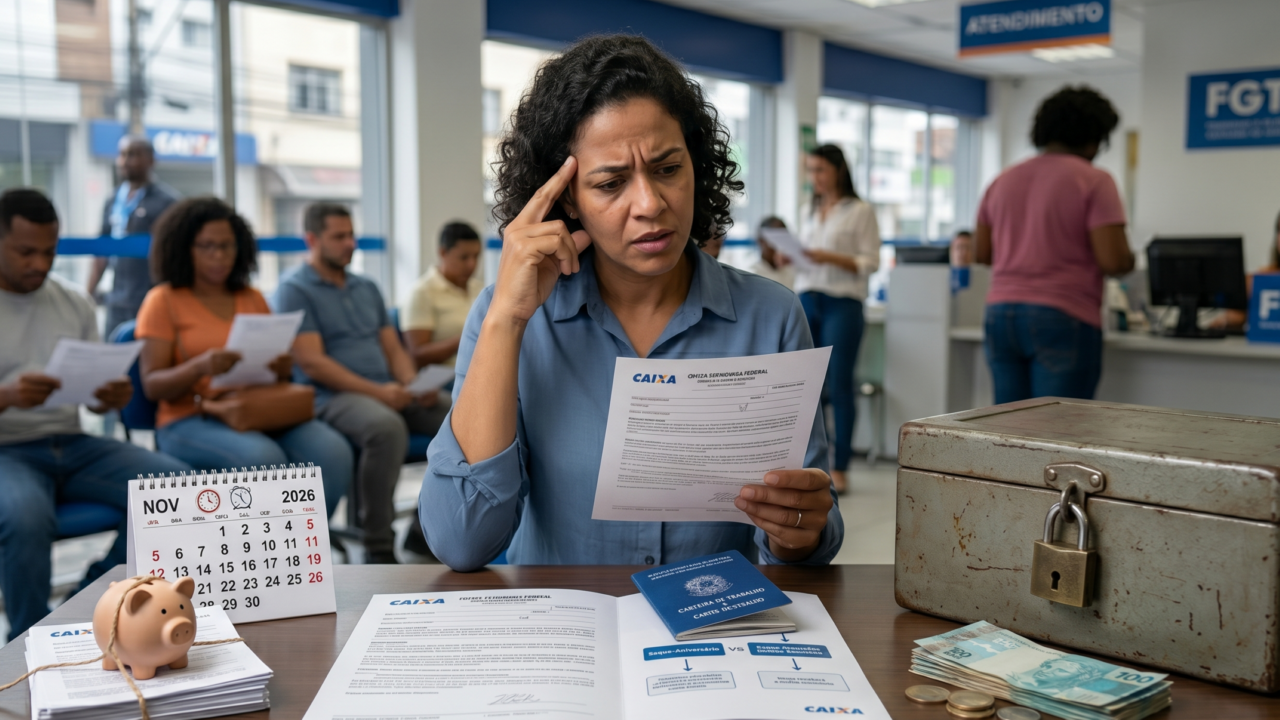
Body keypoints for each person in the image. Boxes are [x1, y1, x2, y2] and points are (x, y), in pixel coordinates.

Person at [418, 35, 843, 572]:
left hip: (714, 616)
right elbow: (461, 542)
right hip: (568, 618)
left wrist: (797, 531)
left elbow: (808, 531)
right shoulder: (510, 317)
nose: (650, 204)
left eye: (667, 169)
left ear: (696, 166)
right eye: (611, 183)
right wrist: (507, 318)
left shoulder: (771, 316)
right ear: (567, 198)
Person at [0, 188, 191, 639]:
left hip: (71, 441)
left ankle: (85, 604)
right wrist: (6, 395)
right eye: (26, 252)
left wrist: (108, 395)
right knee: (25, 517)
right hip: (8, 449)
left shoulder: (74, 302)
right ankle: (27, 639)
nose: (40, 264)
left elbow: (93, 402)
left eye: (49, 252)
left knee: (176, 489)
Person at [135, 197, 352, 519]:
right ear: (183, 248)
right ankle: (272, 545)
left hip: (256, 409)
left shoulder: (252, 297)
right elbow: (152, 385)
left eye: (227, 246)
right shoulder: (162, 301)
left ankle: (307, 539)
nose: (219, 256)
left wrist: (280, 367)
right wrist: (199, 367)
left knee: (333, 452)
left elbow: (278, 375)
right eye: (207, 246)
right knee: (264, 460)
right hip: (191, 417)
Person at [274, 202, 448, 564]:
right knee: (386, 427)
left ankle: (425, 529)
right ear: (312, 240)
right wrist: (379, 392)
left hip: (386, 388)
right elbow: (313, 362)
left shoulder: (366, 286)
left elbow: (393, 347)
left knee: (459, 415)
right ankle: (378, 544)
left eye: (351, 235)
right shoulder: (294, 289)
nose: (350, 244)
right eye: (339, 237)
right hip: (329, 396)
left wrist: (412, 383)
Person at [974, 86, 1134, 404]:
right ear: (1094, 138)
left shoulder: (1002, 180)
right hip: (1063, 314)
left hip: (1000, 314)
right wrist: (1130, 258)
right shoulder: (1094, 180)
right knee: (1058, 427)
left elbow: (982, 253)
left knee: (1007, 425)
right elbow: (1113, 261)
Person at [792, 144, 881, 494]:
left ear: (838, 171)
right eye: (810, 170)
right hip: (807, 298)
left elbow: (870, 262)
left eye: (820, 170)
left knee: (840, 384)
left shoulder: (860, 211)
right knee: (807, 386)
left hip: (842, 302)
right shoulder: (808, 210)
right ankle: (812, 464)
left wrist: (828, 256)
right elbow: (805, 258)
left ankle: (840, 466)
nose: (813, 178)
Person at [86, 136, 179, 338]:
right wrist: (89, 293)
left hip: (150, 299)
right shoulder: (112, 200)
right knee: (113, 352)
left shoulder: (167, 202)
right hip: (117, 301)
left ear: (151, 160)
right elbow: (101, 252)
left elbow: (174, 256)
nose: (125, 161)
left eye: (134, 155)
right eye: (122, 155)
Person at [404, 221, 484, 369]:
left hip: (482, 368)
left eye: (476, 256)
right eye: (464, 257)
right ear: (442, 253)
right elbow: (418, 356)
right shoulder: (422, 293)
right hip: (447, 373)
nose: (472, 264)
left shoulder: (480, 289)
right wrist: (468, 336)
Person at [750, 216, 796, 289]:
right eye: (773, 240)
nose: (778, 246)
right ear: (761, 241)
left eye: (782, 240)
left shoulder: (792, 271)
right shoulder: (752, 274)